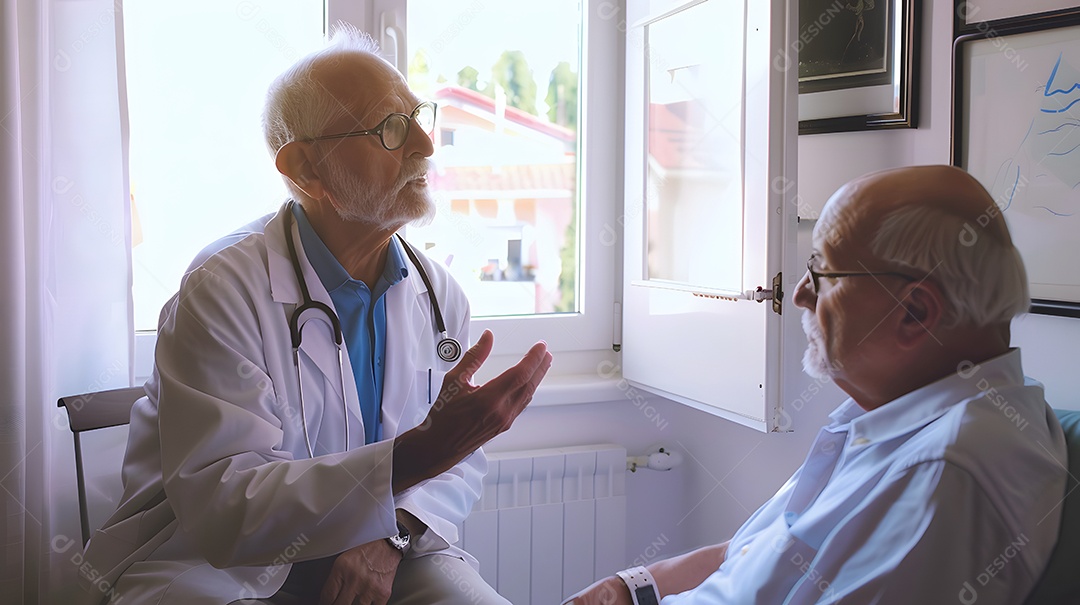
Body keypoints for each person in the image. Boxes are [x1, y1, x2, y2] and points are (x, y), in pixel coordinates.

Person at [75, 26, 552, 605]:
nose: (426, 145)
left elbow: (456, 460)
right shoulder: (223, 289)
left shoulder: (440, 293)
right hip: (210, 565)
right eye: (390, 129)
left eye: (420, 118)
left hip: (391, 547)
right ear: (306, 169)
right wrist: (413, 457)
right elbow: (225, 509)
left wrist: (389, 539)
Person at [567, 165, 1067, 604]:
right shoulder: (884, 412)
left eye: (823, 271)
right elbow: (750, 555)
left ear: (914, 312)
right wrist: (632, 590)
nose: (803, 294)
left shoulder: (946, 472)